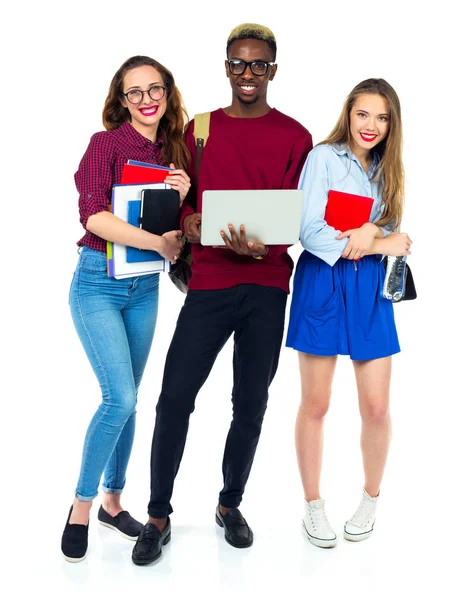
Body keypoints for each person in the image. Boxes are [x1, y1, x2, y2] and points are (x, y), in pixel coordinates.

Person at [131, 23, 312, 566]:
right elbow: (180, 198)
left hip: (267, 286)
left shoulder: (296, 137)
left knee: (250, 404)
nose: (248, 74)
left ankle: (229, 506)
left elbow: (295, 213)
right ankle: (158, 514)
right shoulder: (200, 128)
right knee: (174, 398)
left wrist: (264, 245)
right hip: (209, 283)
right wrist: (188, 225)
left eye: (259, 64)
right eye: (238, 63)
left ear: (273, 70)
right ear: (226, 67)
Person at [61, 55, 191, 563]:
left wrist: (183, 196)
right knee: (118, 397)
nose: (145, 100)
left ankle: (114, 504)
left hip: (144, 288)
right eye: (133, 92)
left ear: (167, 91)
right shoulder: (106, 145)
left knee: (132, 396)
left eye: (153, 88)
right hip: (98, 282)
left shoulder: (175, 149)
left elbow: (180, 231)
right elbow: (94, 217)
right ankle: (81, 504)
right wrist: (159, 242)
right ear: (120, 100)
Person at [286, 78, 412, 547]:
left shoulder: (388, 169)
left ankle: (370, 498)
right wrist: (372, 238)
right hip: (322, 278)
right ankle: (313, 506)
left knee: (376, 407)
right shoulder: (323, 157)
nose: (371, 126)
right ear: (349, 113)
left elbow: (394, 230)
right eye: (364, 114)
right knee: (316, 404)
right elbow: (310, 232)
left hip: (370, 287)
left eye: (382, 118)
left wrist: (374, 232)